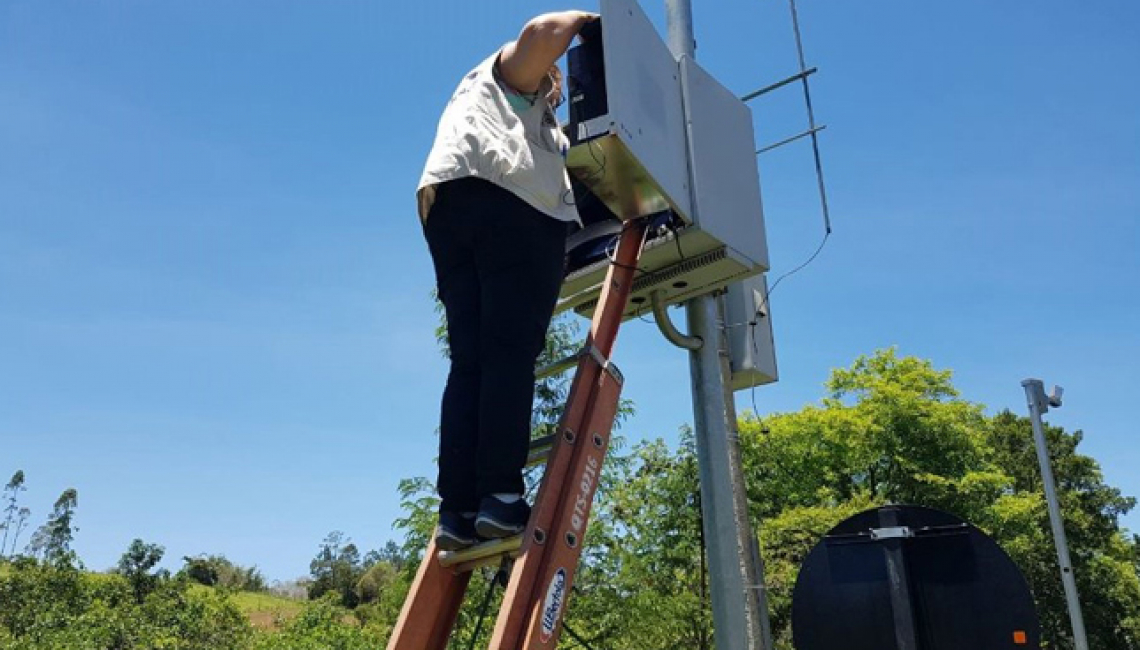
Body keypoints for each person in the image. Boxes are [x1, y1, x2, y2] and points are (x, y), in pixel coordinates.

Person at [417, 11, 599, 550]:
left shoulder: (487, 110)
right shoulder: (513, 78)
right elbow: (544, 33)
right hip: (508, 209)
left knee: (470, 362)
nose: (557, 97)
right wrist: (598, 23)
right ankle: (499, 494)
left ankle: (458, 508)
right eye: (557, 88)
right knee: (509, 355)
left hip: (449, 212)